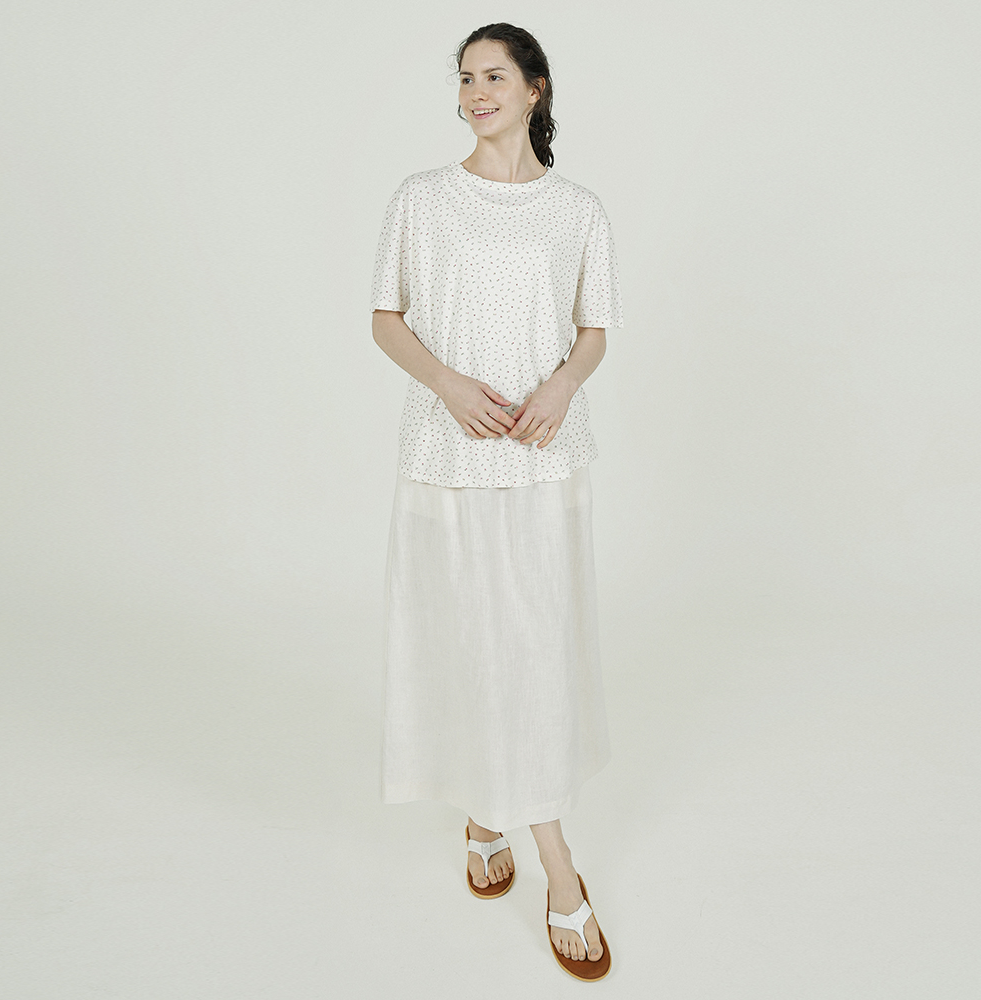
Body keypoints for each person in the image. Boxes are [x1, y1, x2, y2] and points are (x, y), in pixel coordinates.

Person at [369, 22, 623, 982]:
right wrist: (447, 385)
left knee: (534, 654)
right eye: (466, 78)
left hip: (545, 460)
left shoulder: (578, 211)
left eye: (494, 77)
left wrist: (562, 385)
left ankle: (524, 839)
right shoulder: (422, 199)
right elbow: (386, 318)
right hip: (448, 457)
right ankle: (526, 843)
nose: (476, 92)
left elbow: (595, 329)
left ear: (534, 89)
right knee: (473, 643)